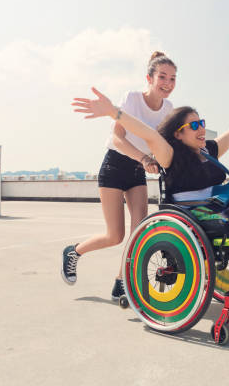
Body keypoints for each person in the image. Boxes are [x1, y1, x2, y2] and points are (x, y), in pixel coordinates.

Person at [72, 88, 229, 286]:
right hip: (191, 211)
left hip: (215, 206)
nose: (201, 129)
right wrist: (114, 112)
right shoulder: (170, 155)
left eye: (202, 123)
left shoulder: (209, 150)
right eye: (194, 125)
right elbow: (149, 134)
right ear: (179, 133)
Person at [61, 52, 177, 301]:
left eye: (173, 78)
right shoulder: (133, 98)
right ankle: (74, 252)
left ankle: (121, 282)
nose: (167, 83)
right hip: (114, 165)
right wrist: (145, 158)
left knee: (139, 233)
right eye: (162, 77)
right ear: (149, 77)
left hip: (137, 172)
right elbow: (117, 138)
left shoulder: (169, 109)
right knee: (115, 235)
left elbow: (162, 143)